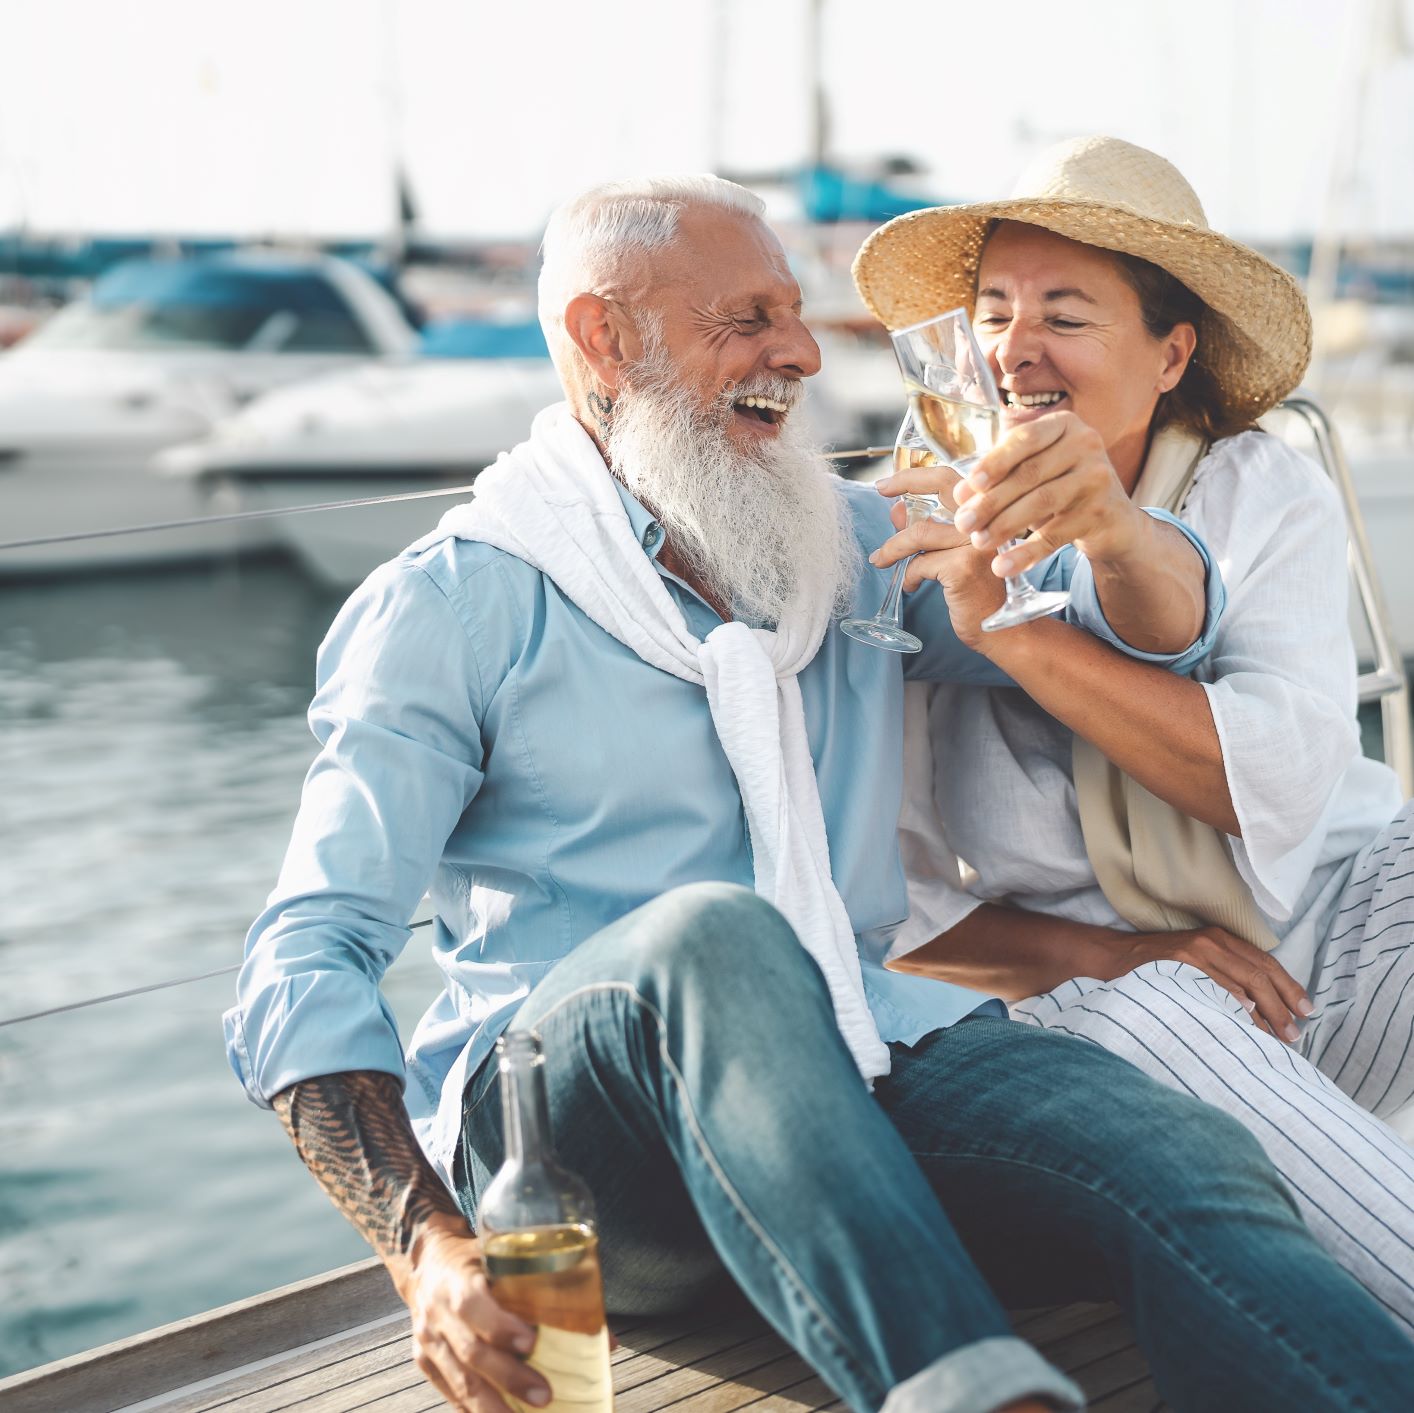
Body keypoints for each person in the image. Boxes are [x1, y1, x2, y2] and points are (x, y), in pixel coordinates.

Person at [226, 174, 1414, 1413]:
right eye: (746, 320)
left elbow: (1137, 635)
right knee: (719, 935)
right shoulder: (455, 604)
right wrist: (426, 1250)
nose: (798, 352)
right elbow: (305, 957)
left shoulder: (846, 552)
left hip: (870, 1064)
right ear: (603, 338)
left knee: (1184, 1156)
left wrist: (1116, 533)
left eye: (793, 314)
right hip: (589, 1153)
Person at [854, 134, 1414, 1338]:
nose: (1015, 347)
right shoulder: (906, 540)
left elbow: (1271, 780)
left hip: (1325, 929)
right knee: (1167, 1025)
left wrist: (1018, 633)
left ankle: (1316, 1188)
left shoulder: (1256, 490)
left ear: (1171, 355)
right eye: (993, 311)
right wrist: (1129, 959)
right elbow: (896, 923)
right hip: (1104, 990)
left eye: (1064, 312)